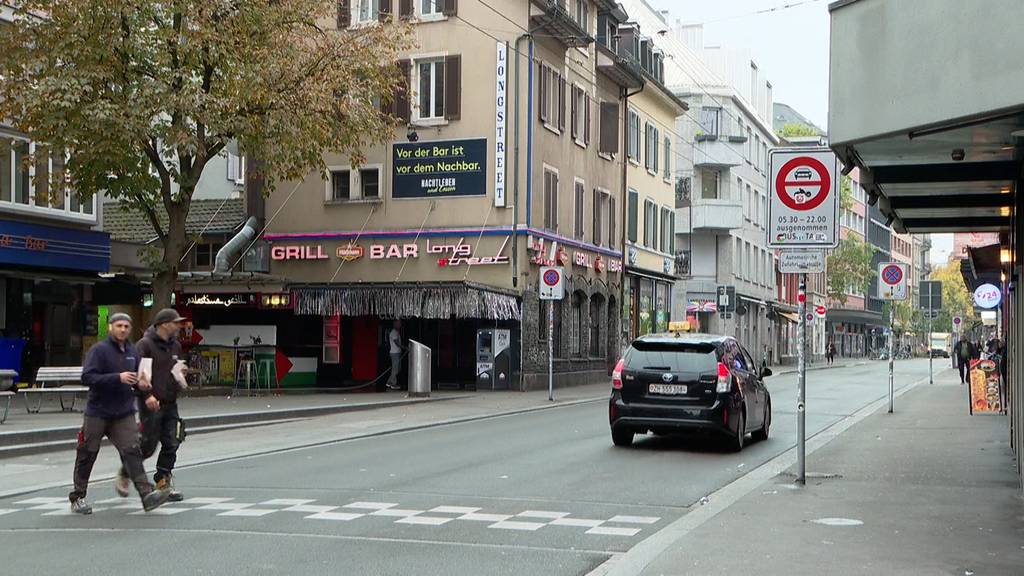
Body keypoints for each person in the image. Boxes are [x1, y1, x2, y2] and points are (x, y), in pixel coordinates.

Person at [70, 313, 170, 514]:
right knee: (88, 452)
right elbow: (87, 377)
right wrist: (117, 377)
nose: (123, 329)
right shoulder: (99, 350)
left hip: (123, 412)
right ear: (110, 327)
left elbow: (137, 379)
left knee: (132, 450)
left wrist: (145, 390)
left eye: (126, 326)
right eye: (119, 326)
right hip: (98, 411)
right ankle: (78, 496)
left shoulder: (132, 351)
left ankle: (146, 494)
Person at [115, 308, 188, 502]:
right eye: (175, 322)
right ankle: (126, 470)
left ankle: (163, 478)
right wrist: (147, 394)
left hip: (170, 401)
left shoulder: (175, 346)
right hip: (151, 401)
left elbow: (173, 369)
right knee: (148, 444)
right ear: (164, 324)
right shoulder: (145, 345)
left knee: (173, 440)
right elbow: (140, 374)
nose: (178, 326)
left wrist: (180, 376)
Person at [386, 320, 404, 391]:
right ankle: (393, 383)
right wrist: (405, 348)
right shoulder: (393, 332)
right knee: (395, 369)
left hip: (397, 352)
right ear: (395, 324)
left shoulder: (397, 332)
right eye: (399, 324)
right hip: (394, 353)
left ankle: (389, 382)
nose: (400, 325)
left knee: (398, 368)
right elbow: (397, 343)